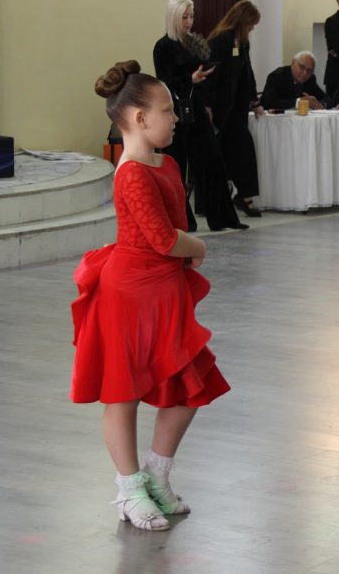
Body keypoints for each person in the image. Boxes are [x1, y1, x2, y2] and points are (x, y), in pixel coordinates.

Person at [71, 60, 230, 531]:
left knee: (188, 385)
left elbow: (171, 230)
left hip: (164, 291)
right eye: (167, 109)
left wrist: (185, 252)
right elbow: (163, 238)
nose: (176, 117)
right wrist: (198, 247)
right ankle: (129, 488)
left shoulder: (168, 163)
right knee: (123, 393)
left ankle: (157, 476)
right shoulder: (132, 173)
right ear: (139, 118)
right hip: (129, 293)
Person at [153, 0, 246, 232]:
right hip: (175, 114)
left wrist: (203, 81)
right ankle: (182, 221)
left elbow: (200, 73)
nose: (189, 21)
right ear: (173, 17)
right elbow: (164, 82)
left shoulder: (194, 43)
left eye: (191, 16)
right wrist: (190, 79)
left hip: (196, 109)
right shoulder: (163, 46)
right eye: (184, 17)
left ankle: (223, 218)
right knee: (176, 166)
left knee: (212, 160)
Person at [206, 0, 265, 217]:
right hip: (220, 109)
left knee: (243, 150)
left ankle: (244, 195)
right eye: (250, 24)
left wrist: (255, 101)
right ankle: (219, 201)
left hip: (236, 109)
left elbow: (247, 73)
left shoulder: (242, 43)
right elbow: (210, 76)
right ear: (241, 21)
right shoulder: (220, 41)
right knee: (225, 154)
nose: (252, 29)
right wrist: (207, 105)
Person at [260, 51, 330, 111]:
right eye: (302, 67)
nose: (305, 73)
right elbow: (268, 103)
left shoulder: (310, 79)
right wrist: (299, 102)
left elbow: (327, 99)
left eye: (309, 70)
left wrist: (321, 104)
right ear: (293, 62)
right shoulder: (277, 76)